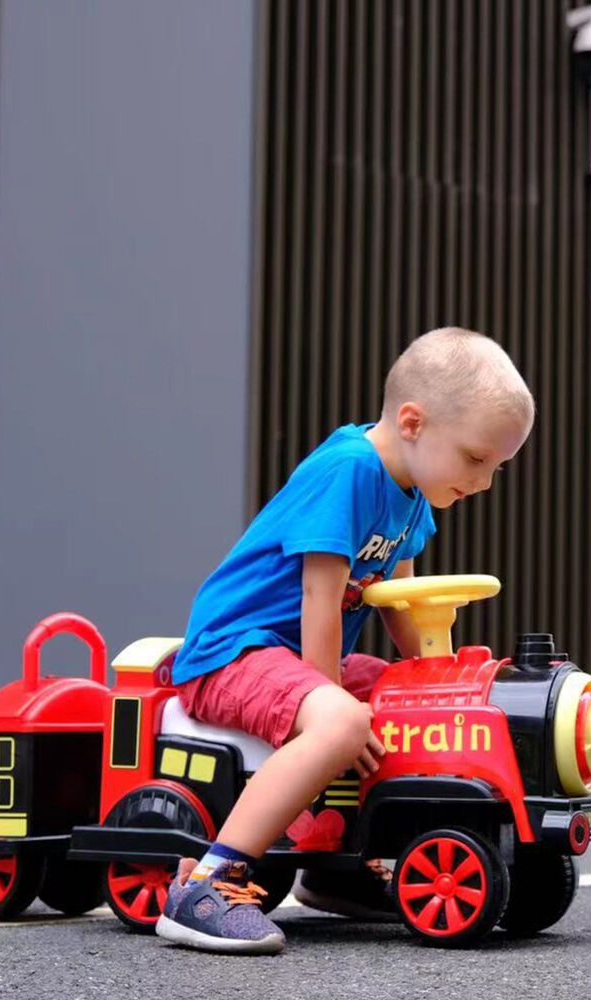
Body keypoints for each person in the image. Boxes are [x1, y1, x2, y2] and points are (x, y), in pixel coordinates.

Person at [155, 328, 535, 954]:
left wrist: (437, 683)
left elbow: (400, 608)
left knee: (402, 701)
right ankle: (208, 883)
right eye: (475, 459)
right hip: (232, 649)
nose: (486, 481)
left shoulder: (413, 496)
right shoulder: (349, 470)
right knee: (340, 722)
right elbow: (319, 600)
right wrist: (329, 708)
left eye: (497, 467)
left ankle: (347, 869)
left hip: (287, 654)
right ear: (412, 422)